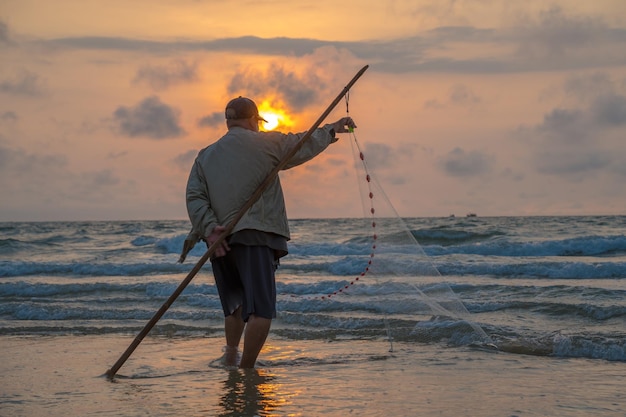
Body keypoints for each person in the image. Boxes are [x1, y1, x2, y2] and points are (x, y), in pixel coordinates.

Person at [180, 96, 356, 368]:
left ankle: (230, 355)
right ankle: (247, 369)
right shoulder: (264, 144)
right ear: (253, 120)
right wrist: (332, 129)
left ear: (228, 122)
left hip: (219, 242)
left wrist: (209, 229)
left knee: (236, 305)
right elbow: (301, 144)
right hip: (255, 236)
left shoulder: (205, 155)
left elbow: (195, 196)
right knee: (261, 309)